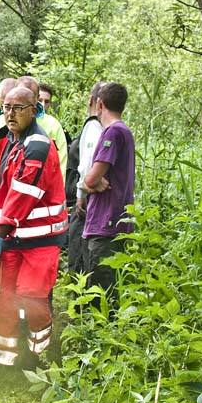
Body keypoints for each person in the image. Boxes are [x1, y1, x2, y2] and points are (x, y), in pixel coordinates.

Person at [0, 87, 68, 367]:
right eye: (6, 107)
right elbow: (6, 190)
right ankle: (1, 362)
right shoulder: (9, 141)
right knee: (4, 297)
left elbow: (24, 193)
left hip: (39, 240)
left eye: (18, 108)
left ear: (35, 110)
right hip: (13, 237)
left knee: (32, 299)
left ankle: (39, 355)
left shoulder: (39, 145)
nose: (10, 113)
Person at [82, 82, 134, 309]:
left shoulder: (112, 132)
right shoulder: (125, 131)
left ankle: (98, 337)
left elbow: (91, 179)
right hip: (118, 221)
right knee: (112, 287)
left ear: (99, 104)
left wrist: (88, 183)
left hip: (106, 222)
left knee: (101, 292)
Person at [69, 82, 105, 274]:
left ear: (92, 101)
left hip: (85, 199)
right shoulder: (100, 128)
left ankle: (80, 296)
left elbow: (87, 165)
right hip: (89, 198)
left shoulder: (93, 126)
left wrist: (81, 193)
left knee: (82, 251)